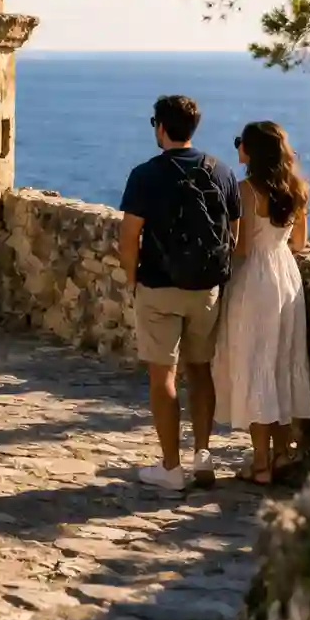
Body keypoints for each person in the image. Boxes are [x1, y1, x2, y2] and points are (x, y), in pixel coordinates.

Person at [118, 95, 241, 491]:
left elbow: (129, 237)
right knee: (200, 370)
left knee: (163, 376)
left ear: (160, 127)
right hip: (205, 289)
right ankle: (203, 454)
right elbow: (233, 236)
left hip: (159, 287)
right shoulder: (221, 171)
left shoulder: (145, 175)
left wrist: (131, 279)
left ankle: (170, 468)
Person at [213, 121, 310, 484]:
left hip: (253, 282)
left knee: (255, 364)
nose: (237, 146)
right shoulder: (298, 189)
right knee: (280, 363)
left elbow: (239, 247)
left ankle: (259, 464)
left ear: (251, 151)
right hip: (286, 277)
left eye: (240, 141)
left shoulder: (245, 191)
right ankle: (281, 455)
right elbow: (299, 243)